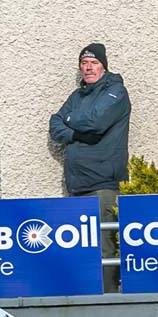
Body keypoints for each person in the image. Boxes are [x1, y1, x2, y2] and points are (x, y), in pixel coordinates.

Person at [49, 43, 131, 293]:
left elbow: (96, 123)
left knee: (105, 247)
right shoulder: (77, 96)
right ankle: (87, 297)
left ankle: (109, 299)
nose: (88, 68)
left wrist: (71, 121)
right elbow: (55, 124)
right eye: (84, 63)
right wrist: (76, 132)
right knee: (82, 249)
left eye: (94, 63)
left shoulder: (116, 92)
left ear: (103, 66)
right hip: (77, 186)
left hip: (103, 184)